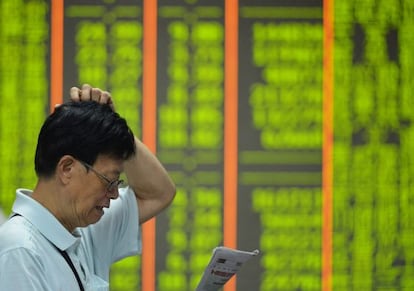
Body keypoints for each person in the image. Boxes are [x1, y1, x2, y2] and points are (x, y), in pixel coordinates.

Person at [0, 84, 176, 290]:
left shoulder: (83, 230)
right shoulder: (20, 250)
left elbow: (159, 193)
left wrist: (112, 124)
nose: (113, 194)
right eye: (109, 180)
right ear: (67, 169)